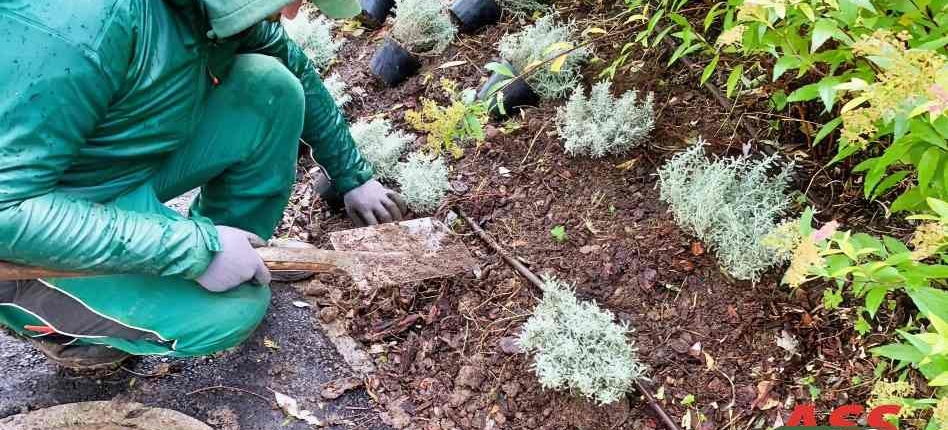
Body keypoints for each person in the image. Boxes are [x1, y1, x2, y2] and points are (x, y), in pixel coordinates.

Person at [0, 0, 403, 370]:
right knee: (230, 311)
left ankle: (242, 254)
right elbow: (7, 211)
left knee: (269, 89)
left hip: (103, 175)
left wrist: (354, 177)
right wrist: (195, 250)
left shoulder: (217, 14)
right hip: (28, 231)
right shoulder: (79, 25)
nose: (293, 12)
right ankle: (56, 322)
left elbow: (296, 70)